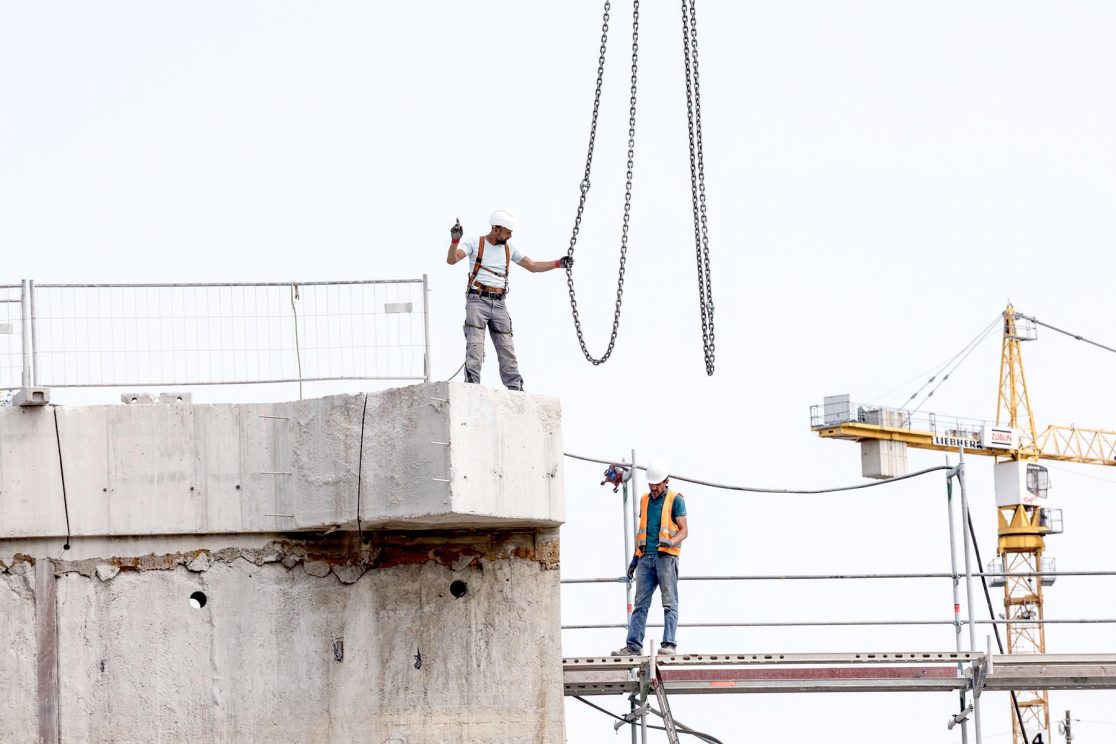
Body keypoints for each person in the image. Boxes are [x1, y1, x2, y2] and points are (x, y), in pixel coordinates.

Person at [445, 210, 573, 391]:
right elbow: (452, 260)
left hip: (499, 303)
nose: (510, 235)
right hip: (477, 301)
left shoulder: (508, 248)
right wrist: (455, 241)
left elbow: (532, 266)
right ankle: (472, 387)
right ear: (496, 229)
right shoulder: (475, 243)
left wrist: (558, 264)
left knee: (506, 348)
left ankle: (515, 388)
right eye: (507, 232)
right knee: (475, 346)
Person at [613, 459, 689, 656]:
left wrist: (671, 542)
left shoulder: (676, 500)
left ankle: (669, 644)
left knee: (669, 602)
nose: (654, 488)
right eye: (651, 484)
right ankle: (633, 646)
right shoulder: (645, 500)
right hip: (645, 558)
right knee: (640, 604)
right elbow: (644, 531)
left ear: (666, 481)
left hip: (666, 558)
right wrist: (635, 558)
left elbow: (684, 530)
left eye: (657, 484)